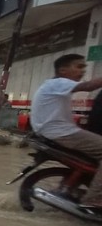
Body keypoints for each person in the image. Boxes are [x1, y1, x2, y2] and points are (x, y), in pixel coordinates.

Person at [31, 54, 102, 207]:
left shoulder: (52, 86)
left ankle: (71, 188)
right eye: (79, 66)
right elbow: (88, 86)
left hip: (56, 132)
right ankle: (94, 199)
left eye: (84, 67)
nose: (83, 70)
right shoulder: (58, 83)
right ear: (62, 70)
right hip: (61, 133)